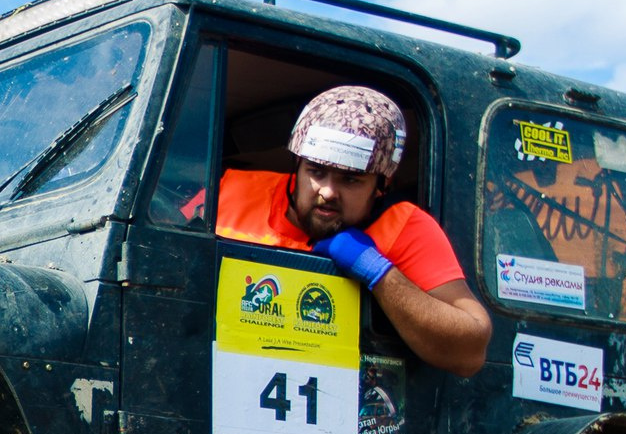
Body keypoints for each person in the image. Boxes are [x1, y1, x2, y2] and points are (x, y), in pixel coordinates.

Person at [210, 86, 491, 377]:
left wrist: (376, 271)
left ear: (383, 186)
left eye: (350, 180)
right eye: (316, 171)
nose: (328, 191)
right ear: (297, 166)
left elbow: (470, 352)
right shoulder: (228, 191)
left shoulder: (403, 227)